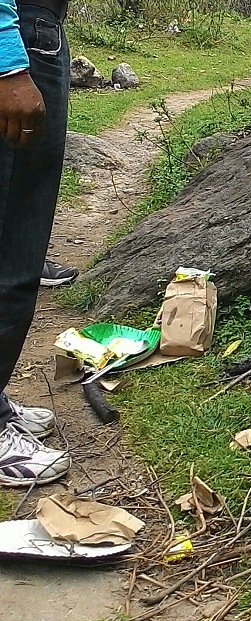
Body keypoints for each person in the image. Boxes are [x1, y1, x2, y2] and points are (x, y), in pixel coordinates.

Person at [0, 0, 72, 485]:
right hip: (20, 33)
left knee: (18, 243)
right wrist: (8, 59)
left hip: (34, 29)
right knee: (11, 249)